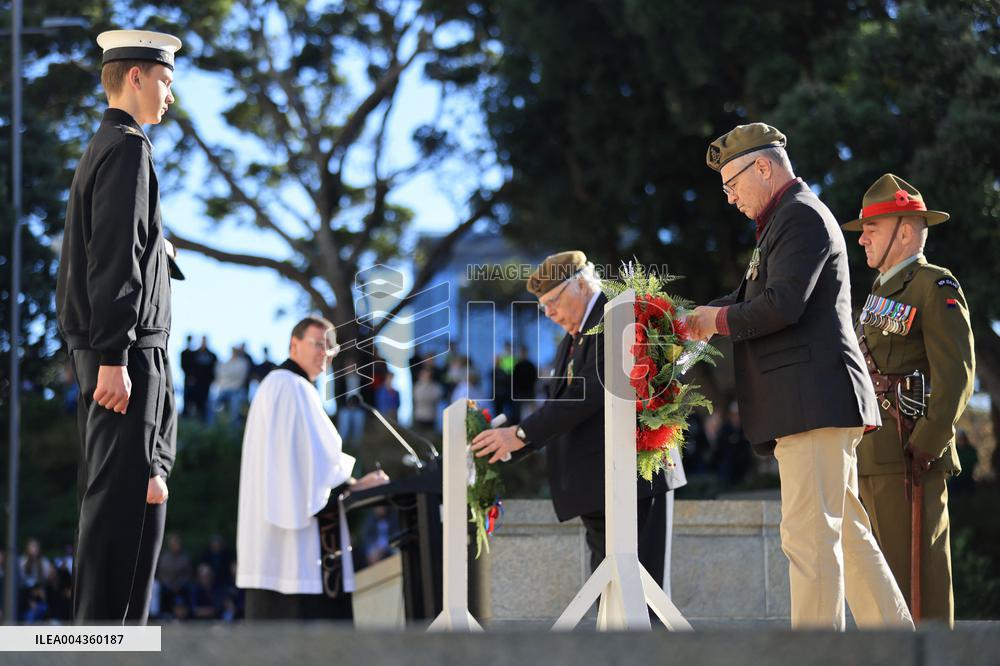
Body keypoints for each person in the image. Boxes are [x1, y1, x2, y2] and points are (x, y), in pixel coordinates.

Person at [686, 124, 912, 630]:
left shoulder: (799, 216)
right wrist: (694, 317)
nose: (730, 199)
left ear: (762, 167)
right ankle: (900, 648)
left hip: (812, 403)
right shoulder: (786, 219)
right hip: (814, 402)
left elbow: (782, 305)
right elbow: (751, 301)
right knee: (847, 539)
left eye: (732, 185)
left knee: (810, 541)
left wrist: (712, 321)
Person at [55, 29, 182, 623]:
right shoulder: (127, 148)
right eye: (165, 79)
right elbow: (113, 254)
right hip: (124, 357)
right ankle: (98, 649)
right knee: (115, 519)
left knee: (125, 509)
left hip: (120, 352)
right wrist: (113, 354)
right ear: (136, 77)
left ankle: (106, 644)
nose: (169, 95)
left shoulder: (107, 148)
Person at [471, 251, 684, 589]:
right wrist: (504, 443)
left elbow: (593, 391)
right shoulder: (573, 339)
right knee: (611, 598)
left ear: (582, 284)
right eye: (544, 307)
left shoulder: (616, 315)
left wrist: (523, 433)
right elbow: (562, 408)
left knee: (641, 599)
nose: (549, 313)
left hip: (634, 479)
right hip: (599, 486)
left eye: (553, 301)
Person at [843, 173, 976, 625]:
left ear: (904, 230)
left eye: (870, 230)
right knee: (884, 595)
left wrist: (928, 442)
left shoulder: (934, 286)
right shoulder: (879, 291)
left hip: (909, 456)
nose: (861, 240)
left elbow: (957, 373)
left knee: (920, 588)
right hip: (873, 454)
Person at [236, 316, 389, 619]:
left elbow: (303, 464)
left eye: (331, 348)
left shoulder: (281, 385)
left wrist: (347, 483)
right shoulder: (291, 386)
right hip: (296, 554)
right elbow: (311, 469)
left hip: (275, 549)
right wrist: (354, 485)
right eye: (318, 344)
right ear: (294, 344)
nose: (326, 354)